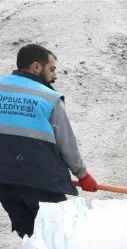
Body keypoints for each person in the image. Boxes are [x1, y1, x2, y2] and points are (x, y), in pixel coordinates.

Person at [0, 44, 97, 238]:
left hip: (5, 182)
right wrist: (83, 174)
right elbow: (66, 143)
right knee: (58, 234)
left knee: (30, 235)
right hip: (41, 181)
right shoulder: (48, 98)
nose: (55, 75)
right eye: (51, 69)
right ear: (37, 66)